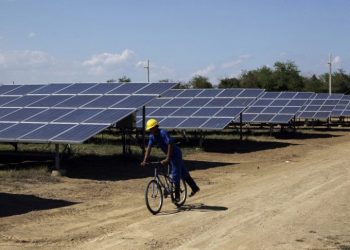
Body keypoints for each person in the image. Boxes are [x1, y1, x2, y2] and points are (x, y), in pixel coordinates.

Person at [141, 118, 200, 200]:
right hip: (170, 155)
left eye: (151, 129)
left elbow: (170, 144)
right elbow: (149, 148)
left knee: (175, 174)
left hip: (176, 154)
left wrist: (167, 158)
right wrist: (145, 160)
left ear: (155, 127)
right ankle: (195, 187)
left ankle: (177, 196)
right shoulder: (152, 136)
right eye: (149, 129)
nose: (150, 131)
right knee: (183, 172)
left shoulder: (163, 133)